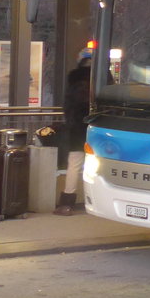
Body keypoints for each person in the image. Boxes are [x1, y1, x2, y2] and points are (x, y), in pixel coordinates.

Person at [56, 48, 92, 216]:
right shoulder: (104, 80)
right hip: (99, 131)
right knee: (96, 167)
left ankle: (67, 202)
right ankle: (94, 199)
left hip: (77, 130)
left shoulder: (74, 80)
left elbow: (70, 108)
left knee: (74, 165)